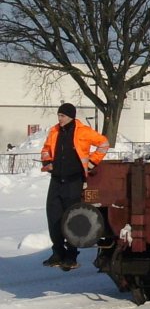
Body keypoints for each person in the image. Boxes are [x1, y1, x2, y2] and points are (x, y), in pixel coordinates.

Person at [40, 103, 109, 271]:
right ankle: (57, 252)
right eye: (58, 115)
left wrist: (92, 162)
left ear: (70, 116)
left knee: (71, 217)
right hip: (56, 180)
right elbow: (46, 149)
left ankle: (71, 255)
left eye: (62, 116)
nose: (59, 119)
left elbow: (104, 143)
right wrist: (47, 161)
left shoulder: (83, 131)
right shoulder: (54, 131)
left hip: (74, 181)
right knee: (53, 215)